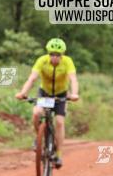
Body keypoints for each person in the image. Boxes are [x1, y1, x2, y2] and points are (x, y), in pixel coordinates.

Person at [15, 38, 80, 168]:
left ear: (63, 55)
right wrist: (23, 93)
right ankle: (39, 138)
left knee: (60, 122)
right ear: (48, 53)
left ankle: (59, 154)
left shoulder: (68, 62)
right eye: (52, 54)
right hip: (45, 93)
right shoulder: (42, 60)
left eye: (58, 55)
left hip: (61, 95)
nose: (55, 57)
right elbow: (32, 78)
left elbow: (73, 79)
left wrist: (74, 94)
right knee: (36, 113)